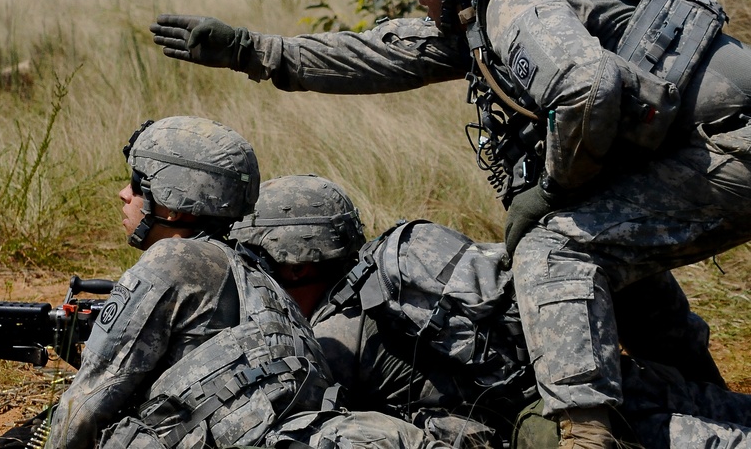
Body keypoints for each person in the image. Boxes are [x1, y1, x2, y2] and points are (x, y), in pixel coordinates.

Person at [150, 0, 751, 447]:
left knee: (556, 247)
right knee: (617, 260)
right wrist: (254, 50)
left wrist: (553, 189)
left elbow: (587, 86)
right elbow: (381, 53)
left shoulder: (516, 3)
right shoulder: (501, 4)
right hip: (726, 149)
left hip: (731, 149)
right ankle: (705, 396)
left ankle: (586, 436)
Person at [231, 174, 751, 448]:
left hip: (578, 427)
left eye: (260, 260)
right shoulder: (407, 258)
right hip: (607, 376)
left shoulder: (335, 338)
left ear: (296, 266)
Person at [44, 116, 447, 449]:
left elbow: (88, 402)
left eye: (138, 184)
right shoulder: (269, 289)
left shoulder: (174, 258)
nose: (123, 194)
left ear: (172, 199)